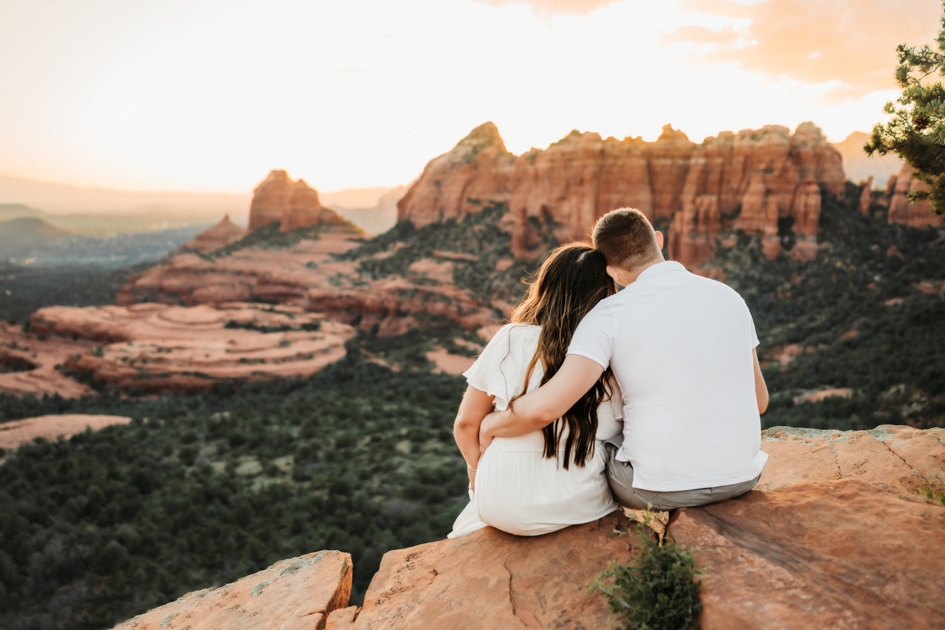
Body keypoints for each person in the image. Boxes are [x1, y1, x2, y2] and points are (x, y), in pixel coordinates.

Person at [479, 208, 769, 511]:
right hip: (743, 477)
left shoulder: (607, 316)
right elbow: (759, 402)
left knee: (602, 438)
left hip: (657, 492)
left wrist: (491, 424)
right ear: (658, 239)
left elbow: (545, 409)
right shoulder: (730, 297)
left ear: (611, 271)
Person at [449, 243, 624, 538]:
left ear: (545, 286)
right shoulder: (613, 349)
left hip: (499, 505)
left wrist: (476, 473)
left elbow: (466, 424)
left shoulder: (511, 338)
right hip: (581, 504)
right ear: (605, 293)